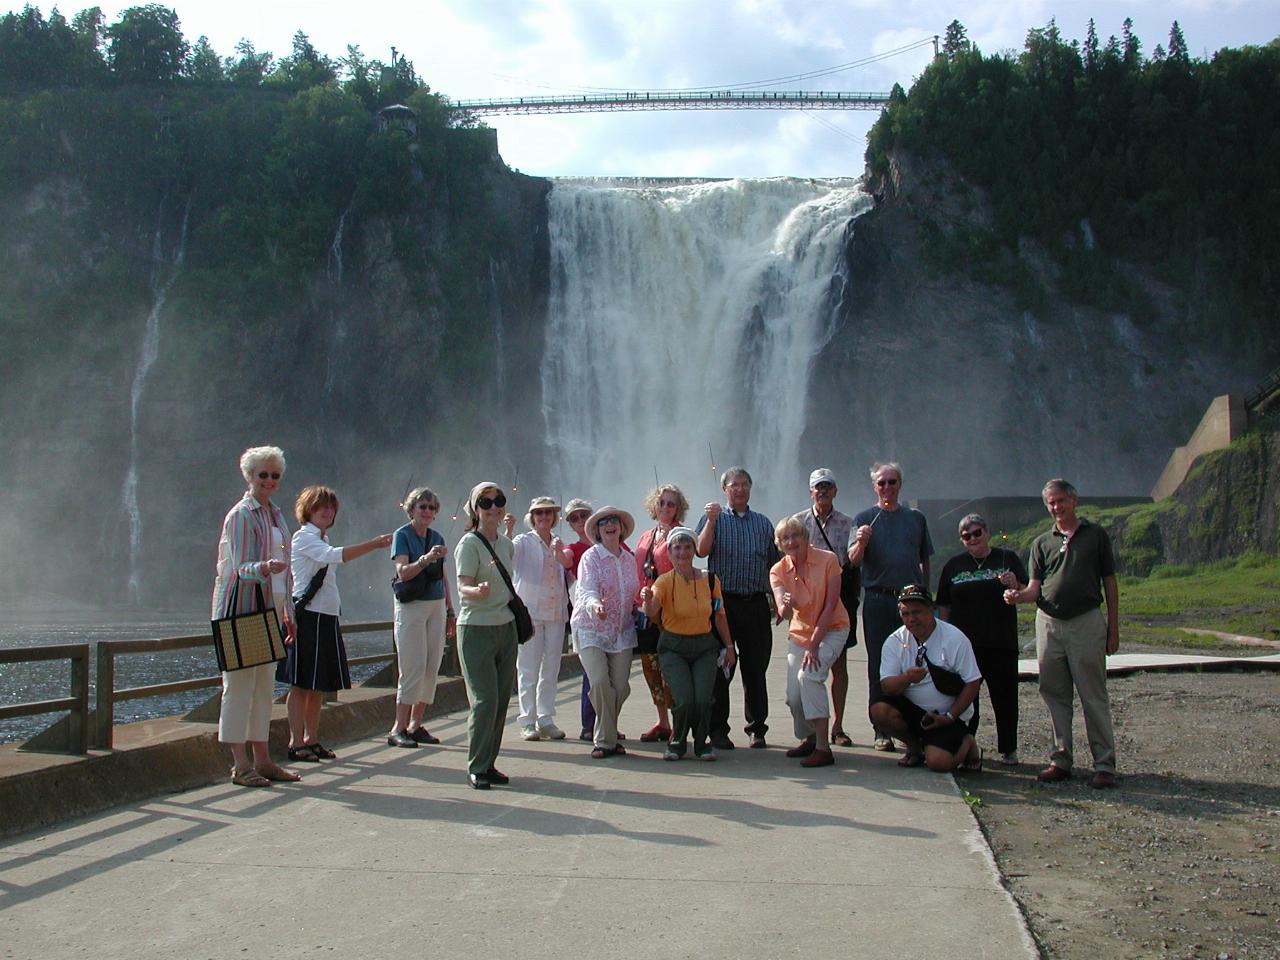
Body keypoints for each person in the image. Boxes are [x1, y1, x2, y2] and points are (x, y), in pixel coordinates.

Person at [1004, 480, 1120, 789]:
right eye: (1051, 503)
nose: (1057, 507)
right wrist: (1017, 595)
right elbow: (1034, 590)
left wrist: (1113, 628)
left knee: (1093, 694)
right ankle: (1061, 759)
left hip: (1086, 621)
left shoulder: (1095, 536)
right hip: (1049, 623)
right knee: (1054, 694)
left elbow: (1109, 582)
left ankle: (1104, 764)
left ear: (1073, 500)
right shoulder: (1041, 542)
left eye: (1061, 501)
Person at [280, 486, 392, 761]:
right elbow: (335, 556)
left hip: (326, 616)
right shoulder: (304, 537)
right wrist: (374, 544)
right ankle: (296, 742)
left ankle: (312, 738)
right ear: (308, 511)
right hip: (308, 617)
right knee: (300, 683)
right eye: (321, 507)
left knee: (317, 684)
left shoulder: (322, 536)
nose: (327, 512)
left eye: (331, 508)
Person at [212, 445, 301, 788]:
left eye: (275, 475)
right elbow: (241, 567)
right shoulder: (241, 515)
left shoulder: (276, 514)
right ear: (249, 476)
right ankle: (240, 764)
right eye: (262, 474)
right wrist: (264, 567)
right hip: (240, 612)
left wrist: (287, 612)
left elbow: (286, 574)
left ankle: (263, 760)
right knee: (238, 688)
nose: (269, 480)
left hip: (269, 612)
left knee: (264, 687)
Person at [849, 461, 933, 752]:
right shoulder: (864, 519)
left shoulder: (916, 518)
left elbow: (925, 560)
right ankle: (880, 729)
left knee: (913, 663)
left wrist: (927, 596)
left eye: (892, 482)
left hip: (910, 600)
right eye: (882, 483)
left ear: (900, 485)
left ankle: (911, 727)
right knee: (878, 666)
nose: (887, 487)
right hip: (877, 600)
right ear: (874, 486)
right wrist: (861, 542)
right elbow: (853, 560)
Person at [695, 467, 779, 750]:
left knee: (756, 668)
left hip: (756, 603)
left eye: (744, 484)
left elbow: (774, 565)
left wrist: (778, 599)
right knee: (722, 667)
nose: (740, 489)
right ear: (725, 490)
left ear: (750, 489)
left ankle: (757, 728)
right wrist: (710, 520)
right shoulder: (714, 519)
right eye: (734, 485)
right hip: (723, 604)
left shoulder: (764, 524)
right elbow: (701, 551)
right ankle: (718, 730)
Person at [935, 513, 1028, 766]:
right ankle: (968, 746)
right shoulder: (953, 565)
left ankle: (1009, 749)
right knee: (966, 700)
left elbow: (1026, 590)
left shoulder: (1007, 558)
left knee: (1005, 697)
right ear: (961, 540)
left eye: (977, 533)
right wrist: (944, 637)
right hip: (966, 645)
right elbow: (944, 604)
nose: (973, 538)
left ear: (987, 532)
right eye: (967, 536)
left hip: (1001, 641)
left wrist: (1015, 584)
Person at [641, 527, 736, 760]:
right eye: (676, 548)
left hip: (704, 646)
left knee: (703, 698)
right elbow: (653, 614)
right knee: (683, 699)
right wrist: (648, 600)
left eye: (687, 547)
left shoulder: (710, 580)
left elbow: (720, 615)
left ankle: (702, 743)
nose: (682, 553)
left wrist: (730, 647)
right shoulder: (663, 582)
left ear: (694, 551)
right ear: (669, 554)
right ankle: (678, 741)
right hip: (673, 647)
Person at [870, 585, 983, 772]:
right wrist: (906, 678)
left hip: (946, 715)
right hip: (914, 712)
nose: (912, 619)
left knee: (939, 764)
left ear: (932, 609)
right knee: (879, 708)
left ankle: (968, 743)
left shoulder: (955, 638)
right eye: (906, 614)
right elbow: (887, 686)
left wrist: (949, 716)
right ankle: (915, 748)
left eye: (917, 612)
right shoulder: (894, 641)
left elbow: (973, 683)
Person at [769, 517, 851, 768]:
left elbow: (830, 605)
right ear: (780, 544)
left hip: (834, 628)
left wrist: (815, 646)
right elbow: (780, 603)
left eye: (796, 535)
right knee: (794, 697)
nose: (791, 541)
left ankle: (824, 749)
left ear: (806, 537)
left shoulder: (828, 560)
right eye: (785, 538)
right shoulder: (778, 570)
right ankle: (810, 737)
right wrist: (785, 606)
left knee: (810, 676)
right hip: (800, 633)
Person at [454, 481, 519, 790]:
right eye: (486, 502)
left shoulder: (507, 545)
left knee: (501, 700)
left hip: (505, 627)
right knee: (484, 700)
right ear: (475, 508)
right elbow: (462, 586)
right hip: (476, 628)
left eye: (499, 500)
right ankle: (476, 766)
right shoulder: (468, 544)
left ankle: (489, 763)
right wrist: (476, 591)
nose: (493, 506)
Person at [791, 467, 859, 747]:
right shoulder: (798, 522)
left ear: (835, 490)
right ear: (810, 492)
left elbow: (853, 558)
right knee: (807, 668)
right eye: (818, 487)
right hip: (807, 603)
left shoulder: (847, 523)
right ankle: (812, 731)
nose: (823, 491)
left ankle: (838, 726)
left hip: (838, 598)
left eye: (828, 486)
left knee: (838, 665)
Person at [387, 487, 456, 748]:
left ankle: (416, 724)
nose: (427, 511)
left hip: (436, 605)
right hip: (411, 606)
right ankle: (398, 727)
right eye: (422, 506)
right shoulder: (401, 535)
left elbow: (443, 576)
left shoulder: (437, 536)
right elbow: (403, 572)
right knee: (412, 665)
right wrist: (426, 559)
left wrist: (450, 608)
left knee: (431, 664)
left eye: (431, 507)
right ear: (412, 509)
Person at [571, 506, 639, 759]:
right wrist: (594, 605)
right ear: (598, 531)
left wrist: (645, 598)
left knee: (620, 687)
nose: (609, 525)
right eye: (603, 523)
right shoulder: (591, 557)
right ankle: (605, 741)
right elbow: (586, 590)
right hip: (591, 628)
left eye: (614, 521)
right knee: (599, 682)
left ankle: (606, 735)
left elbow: (634, 593)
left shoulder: (629, 559)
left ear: (621, 528)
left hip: (621, 631)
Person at [512, 496, 572, 741]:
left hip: (556, 612)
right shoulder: (522, 541)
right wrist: (507, 530)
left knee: (551, 668)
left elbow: (568, 565)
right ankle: (528, 720)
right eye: (540, 513)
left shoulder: (559, 543)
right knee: (528, 667)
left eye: (548, 513)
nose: (544, 517)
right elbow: (507, 558)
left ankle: (546, 718)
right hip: (531, 613)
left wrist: (560, 553)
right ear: (532, 517)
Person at [635, 484, 689, 743]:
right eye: (662, 503)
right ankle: (662, 721)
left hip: (670, 610)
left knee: (671, 668)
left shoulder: (680, 536)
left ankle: (678, 725)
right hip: (646, 610)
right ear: (654, 506)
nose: (666, 507)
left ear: (679, 509)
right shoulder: (646, 536)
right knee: (651, 666)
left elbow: (688, 561)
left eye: (672, 504)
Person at [563, 498, 597, 741]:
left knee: (612, 676)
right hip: (587, 617)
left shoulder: (610, 539)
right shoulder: (573, 550)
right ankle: (589, 725)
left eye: (583, 515)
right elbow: (563, 559)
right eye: (574, 518)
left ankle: (607, 723)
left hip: (612, 616)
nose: (580, 521)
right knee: (591, 672)